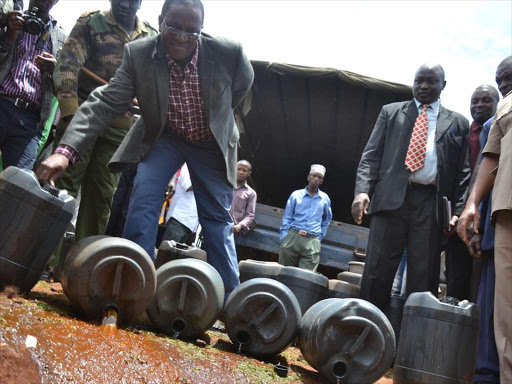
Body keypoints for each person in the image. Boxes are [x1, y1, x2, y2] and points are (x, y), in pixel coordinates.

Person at [37, 0, 254, 299]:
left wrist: (217, 116)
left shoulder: (228, 51)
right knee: (143, 196)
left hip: (210, 142)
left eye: (192, 31)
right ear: (160, 20)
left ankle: (233, 301)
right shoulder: (139, 54)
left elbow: (243, 86)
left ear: (202, 30)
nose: (181, 36)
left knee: (217, 219)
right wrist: (65, 151)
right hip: (165, 136)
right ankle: (133, 285)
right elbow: (105, 101)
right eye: (174, 27)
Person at [352, 63, 471, 311]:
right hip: (390, 202)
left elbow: (464, 172)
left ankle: (411, 342)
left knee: (423, 280)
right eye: (419, 81)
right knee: (377, 274)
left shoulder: (458, 123)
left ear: (443, 86)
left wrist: (458, 211)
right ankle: (364, 336)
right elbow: (371, 156)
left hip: (430, 207)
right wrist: (363, 191)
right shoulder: (391, 112)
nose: (424, 86)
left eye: (431, 81)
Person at [50, 0, 157, 243]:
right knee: (62, 187)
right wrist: (69, 112)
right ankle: (45, 256)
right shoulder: (92, 21)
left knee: (102, 196)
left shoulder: (152, 37)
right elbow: (67, 64)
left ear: (140, 3)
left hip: (120, 128)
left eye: (132, 0)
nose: (125, 4)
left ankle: (81, 263)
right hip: (83, 118)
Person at [458, 56, 512, 384]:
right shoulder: (503, 112)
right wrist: (471, 208)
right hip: (503, 218)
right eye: (500, 79)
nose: (505, 85)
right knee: (501, 313)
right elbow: (489, 162)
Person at [444, 84, 499, 301]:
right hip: (459, 215)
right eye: (475, 101)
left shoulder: (498, 133)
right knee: (455, 276)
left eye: (486, 100)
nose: (479, 105)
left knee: (480, 283)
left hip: (487, 216)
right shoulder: (461, 133)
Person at [0, 0, 66, 170]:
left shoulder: (61, 37)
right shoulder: (10, 19)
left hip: (29, 120)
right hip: (2, 103)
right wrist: (8, 36)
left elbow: (65, 84)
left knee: (19, 185)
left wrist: (54, 69)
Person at [279, 164, 332, 272]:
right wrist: (285, 236)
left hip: (312, 241)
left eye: (319, 177)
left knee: (305, 278)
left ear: (322, 181)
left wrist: (319, 237)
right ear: (308, 177)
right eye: (314, 176)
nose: (316, 179)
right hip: (293, 237)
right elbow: (287, 216)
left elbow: (327, 219)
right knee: (284, 273)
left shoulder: (325, 198)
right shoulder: (296, 195)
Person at [161, 163, 199, 246]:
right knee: (166, 254)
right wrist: (207, 180)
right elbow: (187, 185)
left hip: (192, 225)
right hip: (179, 219)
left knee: (180, 258)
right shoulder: (190, 164)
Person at [230, 160, 257, 235]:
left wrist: (239, 226)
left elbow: (250, 215)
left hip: (231, 229)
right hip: (215, 223)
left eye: (244, 170)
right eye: (238, 169)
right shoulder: (224, 185)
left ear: (249, 173)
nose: (241, 172)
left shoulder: (251, 193)